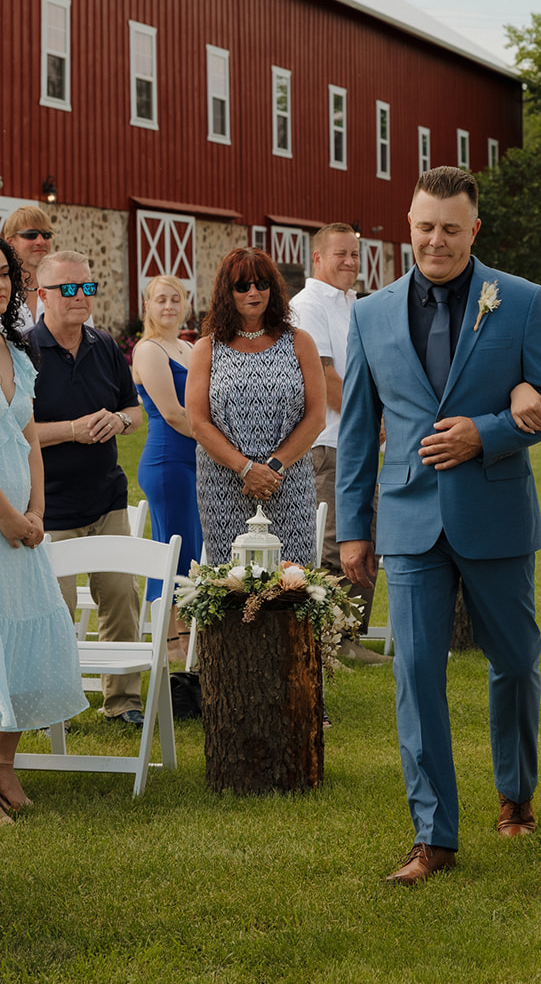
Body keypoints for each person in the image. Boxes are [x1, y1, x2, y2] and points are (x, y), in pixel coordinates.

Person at [336, 166, 541, 886]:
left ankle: (515, 791)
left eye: (449, 228)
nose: (434, 240)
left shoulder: (522, 301)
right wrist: (355, 529)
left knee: (515, 663)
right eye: (422, 226)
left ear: (473, 230)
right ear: (406, 226)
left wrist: (487, 432)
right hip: (409, 519)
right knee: (414, 677)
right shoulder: (369, 314)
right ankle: (432, 834)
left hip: (495, 511)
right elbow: (356, 430)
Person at [30, 250, 145, 726]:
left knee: (121, 598)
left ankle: (123, 703)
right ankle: (49, 706)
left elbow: (136, 413)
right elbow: (16, 431)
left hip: (106, 499)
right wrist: (72, 430)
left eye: (87, 287)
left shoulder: (105, 346)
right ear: (41, 295)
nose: (80, 298)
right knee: (49, 614)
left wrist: (117, 420)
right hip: (48, 507)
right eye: (68, 289)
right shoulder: (21, 351)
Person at [0, 235, 88, 822]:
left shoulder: (15, 350)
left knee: (22, 648)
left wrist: (35, 512)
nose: (1, 284)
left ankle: (6, 772)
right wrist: (8, 518)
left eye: (4, 274)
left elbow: (29, 436)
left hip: (22, 526)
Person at [186, 249, 325, 565]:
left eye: (262, 284)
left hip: (287, 480)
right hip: (223, 482)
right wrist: (246, 468)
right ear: (227, 292)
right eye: (242, 286)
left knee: (292, 584)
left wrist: (273, 468)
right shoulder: (207, 349)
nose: (254, 292)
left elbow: (316, 417)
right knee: (232, 584)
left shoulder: (300, 342)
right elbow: (198, 422)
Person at [289, 223, 387, 666]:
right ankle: (334, 642)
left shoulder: (352, 304)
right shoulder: (308, 306)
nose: (350, 261)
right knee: (335, 541)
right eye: (340, 254)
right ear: (317, 259)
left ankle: (352, 635)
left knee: (367, 537)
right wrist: (367, 421)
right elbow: (324, 377)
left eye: (355, 254)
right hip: (330, 442)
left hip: (362, 441)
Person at [131, 275, 202, 656]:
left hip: (194, 459)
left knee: (192, 546)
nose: (169, 306)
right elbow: (174, 413)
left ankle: (188, 634)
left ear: (185, 304)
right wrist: (220, 445)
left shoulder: (188, 348)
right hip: (167, 461)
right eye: (161, 299)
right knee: (172, 544)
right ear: (148, 305)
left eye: (176, 299)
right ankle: (170, 640)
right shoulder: (149, 350)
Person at [2, 205, 55, 333]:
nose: (40, 241)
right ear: (10, 242)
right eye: (31, 235)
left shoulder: (67, 289)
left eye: (46, 235)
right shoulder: (3, 291)